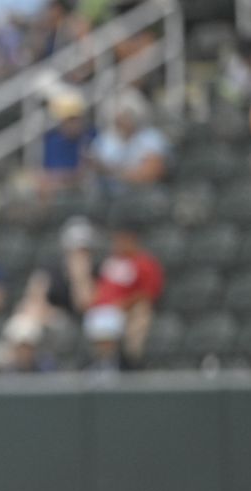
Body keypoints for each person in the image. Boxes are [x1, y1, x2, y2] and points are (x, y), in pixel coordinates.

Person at [87, 219, 164, 367]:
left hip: (125, 311)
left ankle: (127, 364)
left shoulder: (145, 263)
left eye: (122, 239)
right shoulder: (110, 262)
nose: (118, 243)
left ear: (132, 239)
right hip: (100, 311)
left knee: (139, 314)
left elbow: (148, 294)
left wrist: (124, 304)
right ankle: (101, 367)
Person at [89, 89, 169, 193]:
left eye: (127, 114)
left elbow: (152, 173)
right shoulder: (105, 140)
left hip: (146, 195)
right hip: (110, 199)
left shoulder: (151, 137)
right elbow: (92, 169)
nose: (123, 119)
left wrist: (114, 173)